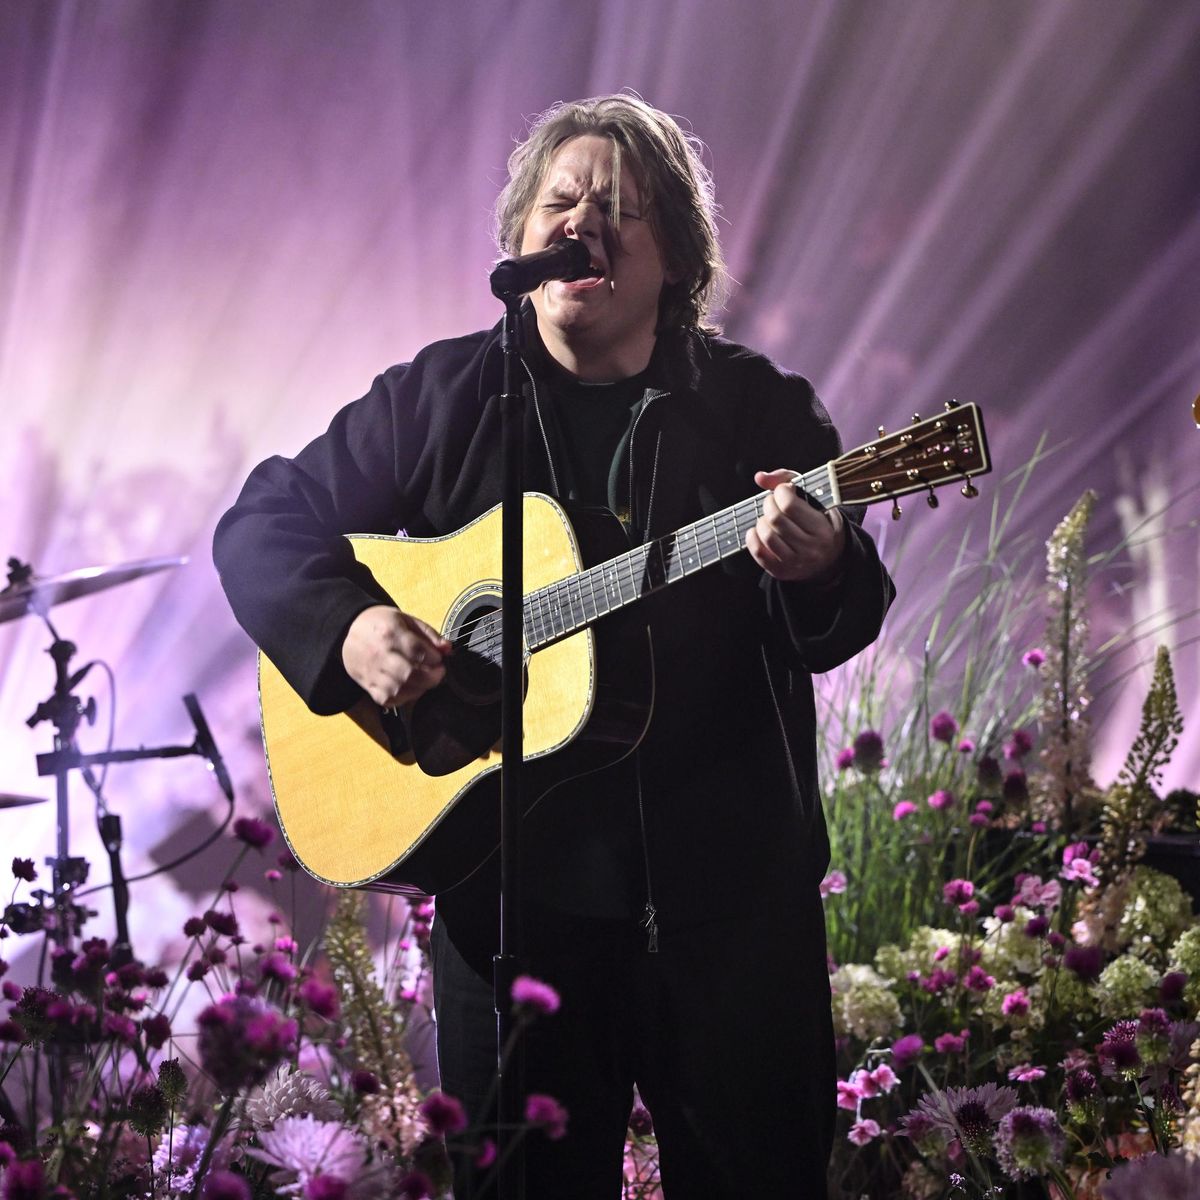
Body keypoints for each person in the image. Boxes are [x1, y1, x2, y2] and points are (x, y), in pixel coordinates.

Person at [214, 93, 895, 1198]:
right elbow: (261, 523)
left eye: (619, 209)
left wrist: (820, 567)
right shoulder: (443, 397)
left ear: (677, 257)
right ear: (522, 245)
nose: (584, 225)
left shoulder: (758, 410)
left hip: (729, 915)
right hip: (514, 918)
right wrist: (350, 628)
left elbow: (841, 621)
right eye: (560, 204)